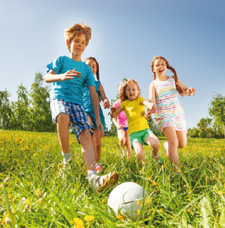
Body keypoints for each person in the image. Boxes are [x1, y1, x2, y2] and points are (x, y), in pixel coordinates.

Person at [44, 22, 119, 192]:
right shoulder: (61, 60)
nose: (80, 45)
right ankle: (67, 160)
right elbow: (47, 78)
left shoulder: (86, 69)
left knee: (86, 134)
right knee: (62, 117)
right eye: (77, 41)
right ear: (68, 43)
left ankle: (93, 178)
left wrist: (98, 119)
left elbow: (93, 94)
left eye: (83, 43)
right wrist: (61, 76)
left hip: (77, 104)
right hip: (60, 98)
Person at [148, 56, 196, 171]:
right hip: (163, 113)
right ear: (153, 69)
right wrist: (150, 109)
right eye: (157, 65)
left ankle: (167, 146)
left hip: (177, 112)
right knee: (173, 141)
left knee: (182, 144)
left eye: (163, 64)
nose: (160, 66)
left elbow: (184, 90)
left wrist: (189, 90)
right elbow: (151, 101)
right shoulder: (153, 84)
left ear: (166, 66)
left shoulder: (173, 79)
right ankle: (176, 172)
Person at [111, 79, 163, 167]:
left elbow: (146, 103)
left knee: (156, 143)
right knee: (139, 154)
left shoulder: (140, 100)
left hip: (145, 130)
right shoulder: (124, 104)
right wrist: (112, 112)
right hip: (134, 134)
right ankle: (142, 172)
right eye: (128, 90)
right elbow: (114, 115)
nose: (131, 91)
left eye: (133, 89)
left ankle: (155, 155)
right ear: (126, 93)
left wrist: (150, 105)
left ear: (138, 90)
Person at [83, 57, 110, 174]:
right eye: (88, 65)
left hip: (97, 113)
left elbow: (103, 95)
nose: (91, 67)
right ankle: (91, 164)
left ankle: (97, 163)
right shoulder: (80, 82)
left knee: (98, 143)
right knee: (90, 134)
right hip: (84, 111)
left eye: (94, 66)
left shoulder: (98, 84)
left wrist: (105, 100)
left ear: (96, 70)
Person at [112, 84, 132, 158]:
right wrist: (117, 125)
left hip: (129, 125)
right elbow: (113, 118)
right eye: (120, 90)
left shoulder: (129, 102)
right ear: (118, 92)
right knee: (122, 140)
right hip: (120, 125)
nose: (121, 92)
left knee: (128, 143)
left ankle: (129, 159)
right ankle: (123, 150)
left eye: (123, 90)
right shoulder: (116, 104)